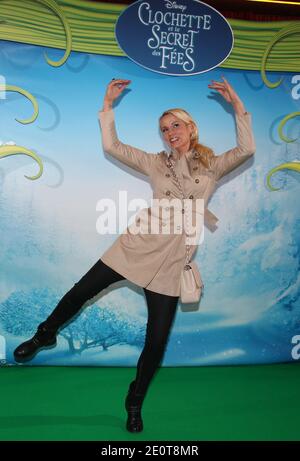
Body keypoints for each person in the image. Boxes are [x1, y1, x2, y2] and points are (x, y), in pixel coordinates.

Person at [13, 76, 256, 433]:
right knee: (81, 291)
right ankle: (44, 334)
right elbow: (113, 147)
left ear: (190, 127)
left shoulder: (213, 165)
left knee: (156, 341)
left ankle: (135, 400)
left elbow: (247, 149)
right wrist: (108, 106)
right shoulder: (156, 162)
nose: (170, 132)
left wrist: (237, 106)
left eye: (175, 125)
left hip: (173, 260)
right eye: (163, 129)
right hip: (137, 245)